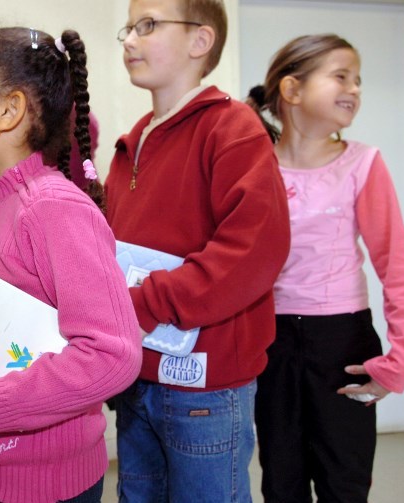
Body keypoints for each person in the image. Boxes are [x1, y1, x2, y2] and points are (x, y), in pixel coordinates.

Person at [0, 27, 143, 503]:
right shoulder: (7, 203)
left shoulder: (54, 208)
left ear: (10, 111)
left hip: (44, 487)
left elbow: (114, 355)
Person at [105, 0, 291, 501]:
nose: (129, 39)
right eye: (128, 28)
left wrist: (139, 303)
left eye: (147, 26)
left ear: (199, 40)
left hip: (206, 390)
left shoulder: (233, 129)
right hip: (136, 375)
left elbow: (252, 252)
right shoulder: (132, 143)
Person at [247, 33, 404, 502]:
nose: (355, 89)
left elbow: (397, 264)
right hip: (273, 341)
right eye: (341, 76)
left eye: (359, 80)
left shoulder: (363, 163)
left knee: (343, 482)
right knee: (281, 480)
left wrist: (402, 359)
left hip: (343, 341)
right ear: (292, 91)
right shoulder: (255, 167)